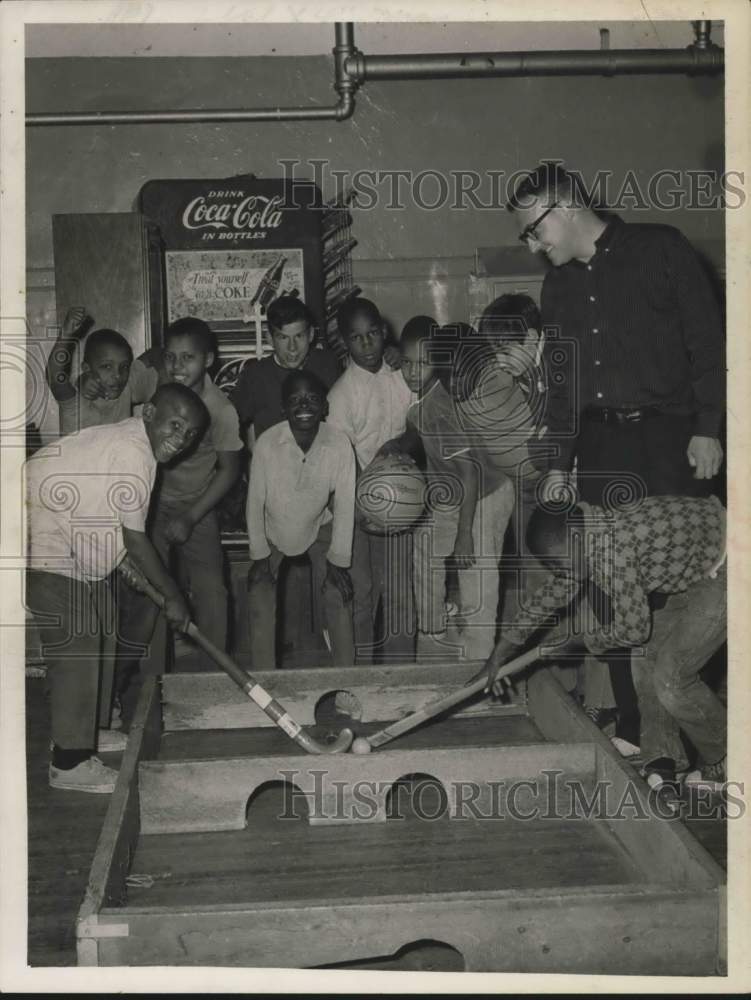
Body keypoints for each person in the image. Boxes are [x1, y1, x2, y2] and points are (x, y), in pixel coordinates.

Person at [507, 161, 725, 745]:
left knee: (681, 587)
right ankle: (640, 734)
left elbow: (710, 345)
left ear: (566, 206)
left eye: (534, 229)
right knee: (611, 592)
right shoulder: (557, 287)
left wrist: (708, 427)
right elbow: (563, 384)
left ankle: (693, 731)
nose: (532, 246)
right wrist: (560, 464)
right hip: (602, 446)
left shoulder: (662, 248)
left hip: (673, 438)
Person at [26, 384, 208, 792]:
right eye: (175, 424)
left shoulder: (136, 447)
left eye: (190, 433)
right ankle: (69, 762)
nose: (180, 438)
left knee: (104, 618)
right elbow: (136, 539)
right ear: (149, 413)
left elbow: (109, 518)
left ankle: (88, 729)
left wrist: (120, 561)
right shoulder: (133, 451)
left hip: (61, 528)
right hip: (32, 527)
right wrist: (174, 596)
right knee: (80, 634)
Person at [481, 495, 727, 792]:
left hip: (729, 562)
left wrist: (580, 642)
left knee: (672, 678)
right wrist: (498, 656)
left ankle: (727, 758)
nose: (558, 571)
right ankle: (664, 759)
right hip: (697, 566)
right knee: (646, 657)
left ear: (575, 537)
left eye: (557, 563)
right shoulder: (588, 536)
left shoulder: (612, 551)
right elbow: (551, 594)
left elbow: (633, 630)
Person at [117, 317, 243, 687]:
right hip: (149, 506)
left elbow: (230, 471)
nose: (177, 367)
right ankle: (153, 683)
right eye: (171, 357)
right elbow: (120, 380)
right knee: (154, 591)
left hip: (197, 506)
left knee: (212, 591)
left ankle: (214, 682)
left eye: (188, 358)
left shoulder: (221, 409)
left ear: (209, 360)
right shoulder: (156, 383)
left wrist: (191, 516)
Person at [398, 317, 515, 661]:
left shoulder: (440, 408)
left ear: (438, 361)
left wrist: (464, 534)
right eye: (406, 363)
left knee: (475, 573)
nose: (413, 371)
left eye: (423, 363)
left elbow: (470, 473)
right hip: (452, 491)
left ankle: (478, 658)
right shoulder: (425, 398)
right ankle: (433, 631)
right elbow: (418, 434)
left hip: (485, 492)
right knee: (426, 548)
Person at [245, 371, 356, 669]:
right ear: (283, 409)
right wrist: (259, 556)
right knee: (260, 595)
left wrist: (338, 562)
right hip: (273, 529)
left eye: (312, 399)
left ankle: (347, 680)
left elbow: (345, 503)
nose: (304, 405)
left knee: (339, 591)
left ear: (325, 407)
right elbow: (254, 502)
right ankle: (264, 683)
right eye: (295, 400)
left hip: (319, 524)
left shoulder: (339, 443)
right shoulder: (267, 444)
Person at [327, 297, 416, 662]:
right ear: (344, 341)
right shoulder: (341, 394)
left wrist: (400, 444)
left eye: (373, 334)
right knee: (362, 594)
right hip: (354, 505)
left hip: (400, 500)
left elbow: (419, 422)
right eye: (356, 337)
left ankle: (402, 678)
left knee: (399, 592)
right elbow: (338, 460)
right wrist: (363, 501)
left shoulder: (402, 374)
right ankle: (360, 678)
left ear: (384, 332)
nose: (367, 345)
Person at [230, 295, 342, 443]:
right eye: (283, 338)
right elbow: (228, 425)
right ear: (270, 339)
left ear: (311, 335)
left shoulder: (327, 365)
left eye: (299, 336)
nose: (292, 348)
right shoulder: (254, 376)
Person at [45, 306, 160, 437]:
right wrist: (65, 334)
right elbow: (54, 377)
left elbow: (153, 355)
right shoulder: (77, 402)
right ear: (87, 369)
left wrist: (165, 372)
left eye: (124, 367)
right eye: (107, 366)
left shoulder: (126, 386)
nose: (117, 375)